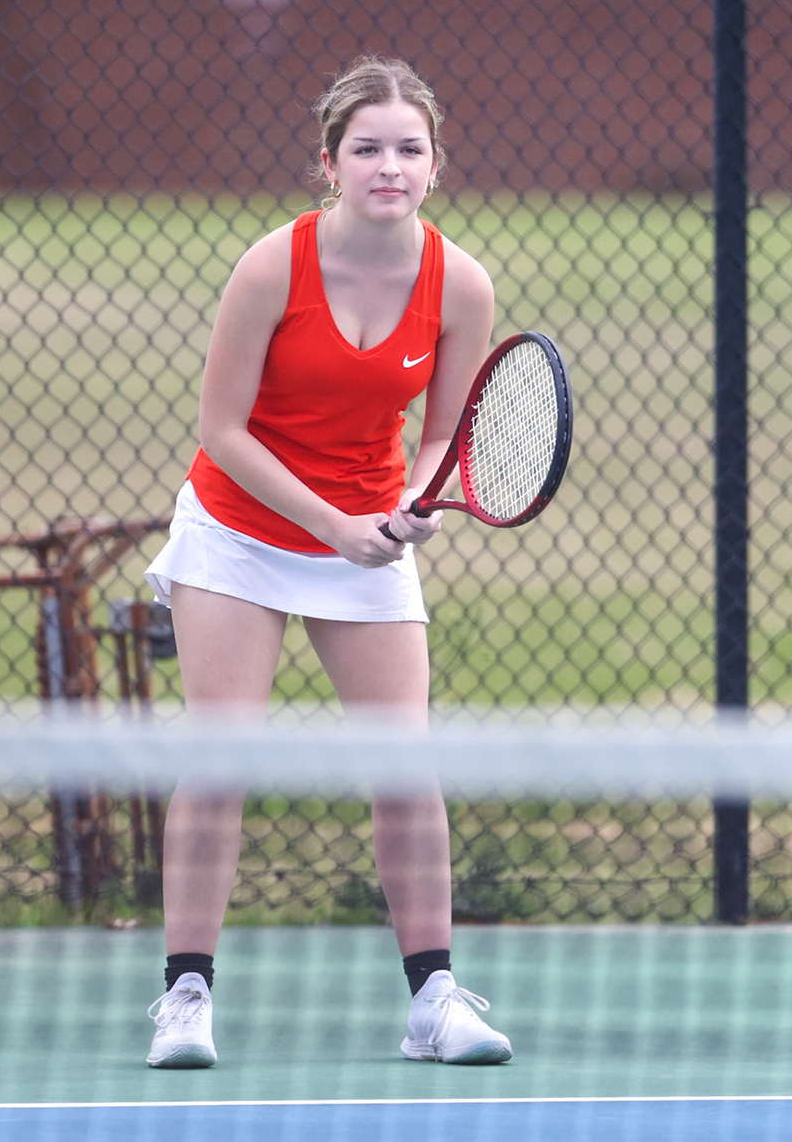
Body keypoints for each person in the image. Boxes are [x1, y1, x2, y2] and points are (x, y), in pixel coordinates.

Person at [140, 55, 511, 1069]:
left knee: (404, 763)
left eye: (409, 149)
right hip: (238, 531)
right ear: (329, 163)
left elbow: (441, 435)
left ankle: (434, 998)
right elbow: (222, 430)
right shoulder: (272, 266)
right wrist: (328, 522)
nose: (389, 166)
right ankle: (185, 995)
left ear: (434, 165)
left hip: (365, 542)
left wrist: (410, 503)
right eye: (368, 148)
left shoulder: (460, 284)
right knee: (222, 758)